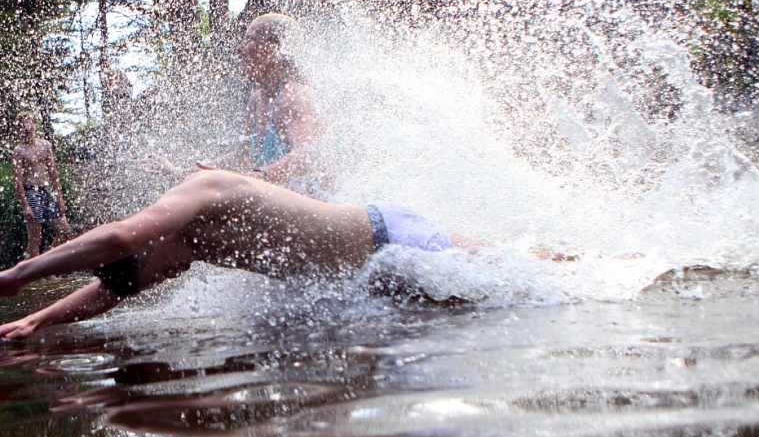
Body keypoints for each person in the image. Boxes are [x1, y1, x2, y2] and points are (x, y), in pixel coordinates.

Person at [0, 168, 483, 340]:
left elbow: (120, 240)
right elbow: (112, 290)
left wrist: (20, 274)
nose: (166, 276)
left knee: (511, 284)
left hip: (391, 240)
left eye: (159, 269)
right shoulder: (184, 246)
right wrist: (35, 321)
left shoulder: (205, 189)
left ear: (153, 241)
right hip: (371, 272)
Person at [146, 14, 324, 192]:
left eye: (250, 40)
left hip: (321, 206)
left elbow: (308, 155)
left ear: (277, 49)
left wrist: (257, 177)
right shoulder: (257, 99)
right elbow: (244, 156)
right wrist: (181, 174)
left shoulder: (293, 96)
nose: (240, 49)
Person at [11, 112, 74, 259]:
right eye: (23, 125)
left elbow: (53, 172)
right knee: (35, 236)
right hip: (30, 191)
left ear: (35, 125)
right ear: (19, 130)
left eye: (29, 123)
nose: (27, 127)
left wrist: (60, 197)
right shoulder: (18, 151)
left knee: (65, 231)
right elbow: (18, 180)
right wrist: (25, 205)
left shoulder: (45, 145)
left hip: (46, 190)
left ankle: (44, 260)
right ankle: (35, 276)